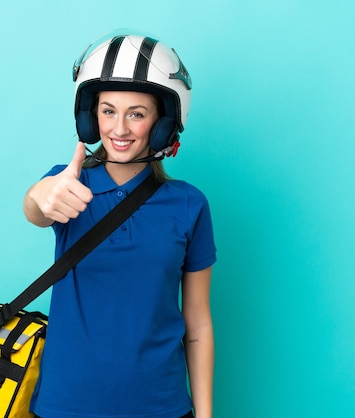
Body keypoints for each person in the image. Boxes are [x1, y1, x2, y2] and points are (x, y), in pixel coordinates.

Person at [23, 31, 217, 418]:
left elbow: (197, 323)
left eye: (137, 114)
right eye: (108, 111)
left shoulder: (189, 204)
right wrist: (40, 196)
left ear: (163, 123)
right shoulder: (67, 183)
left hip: (160, 406)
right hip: (66, 405)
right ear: (90, 117)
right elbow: (37, 208)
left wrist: (206, 414)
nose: (120, 128)